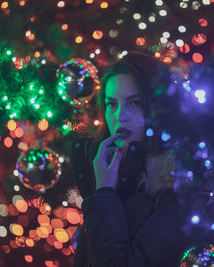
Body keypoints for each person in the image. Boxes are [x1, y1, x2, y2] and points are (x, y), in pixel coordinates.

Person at [71, 52, 187, 267]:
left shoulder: (177, 184)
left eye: (135, 103)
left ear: (158, 106)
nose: (119, 116)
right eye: (111, 104)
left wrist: (105, 193)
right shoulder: (102, 166)